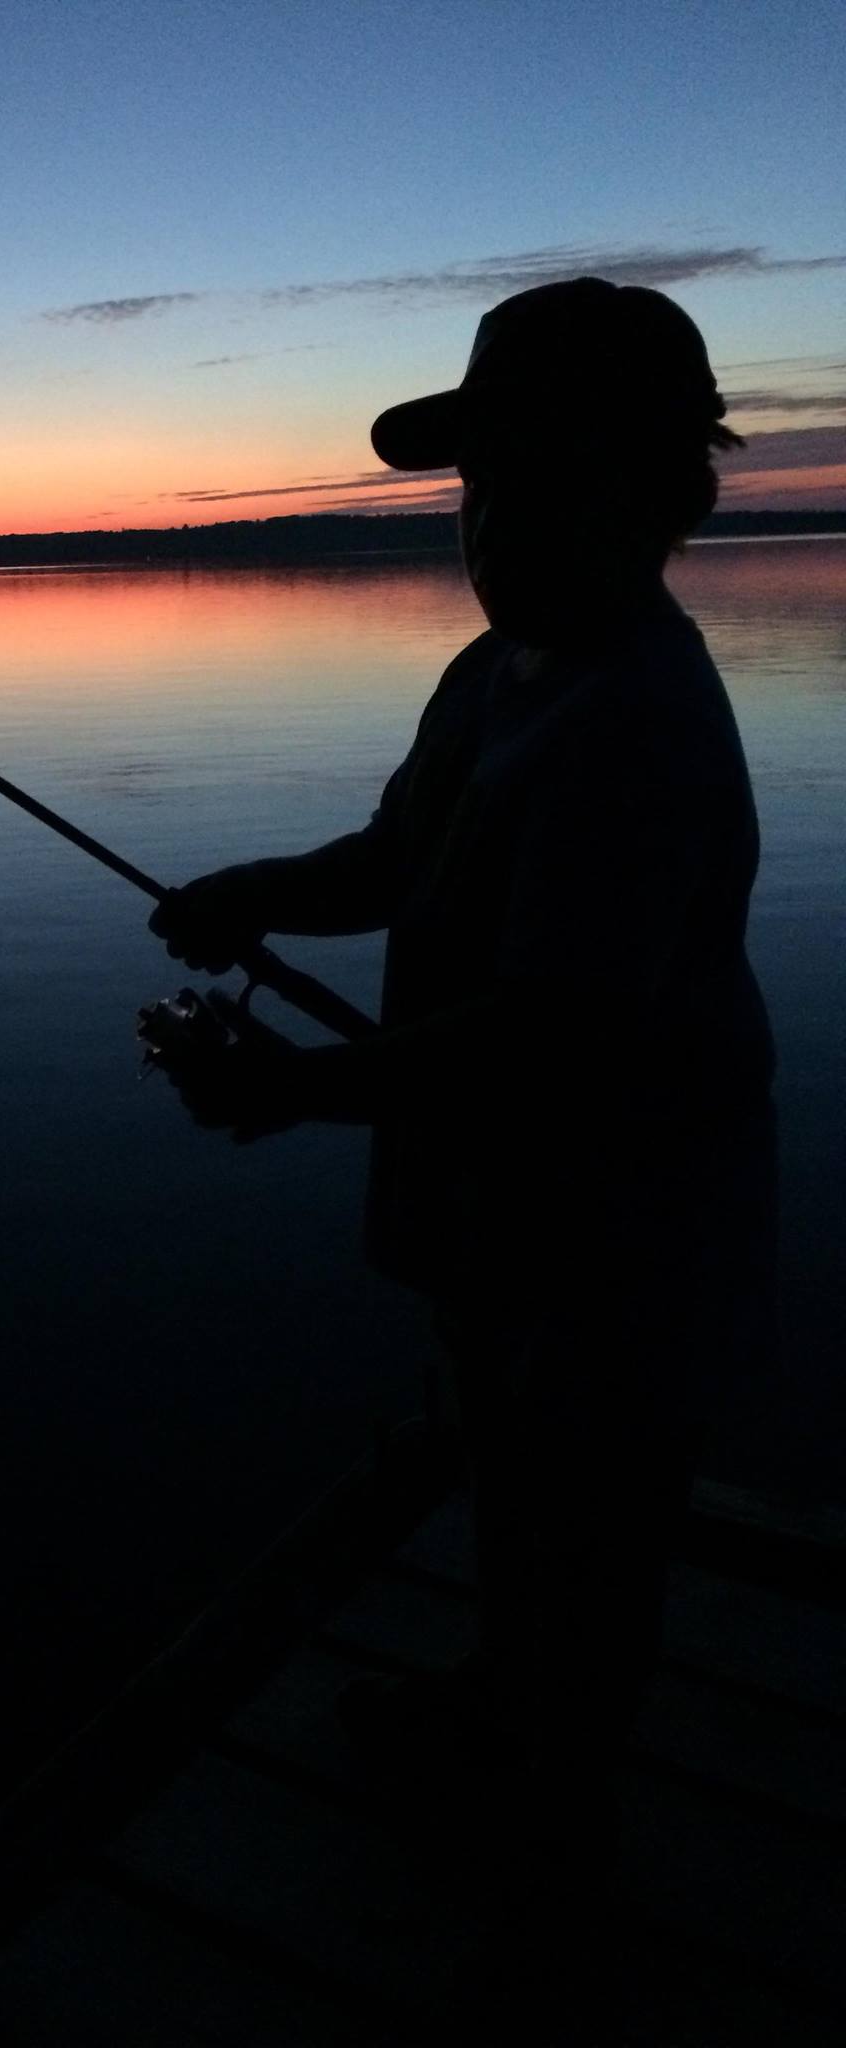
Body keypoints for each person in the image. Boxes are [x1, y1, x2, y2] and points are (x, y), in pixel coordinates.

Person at [148, 277, 778, 1851]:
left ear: (653, 496)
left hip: (630, 1227)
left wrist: (291, 1090)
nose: (489, 526)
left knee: (594, 1514)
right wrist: (260, 895)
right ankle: (508, 1704)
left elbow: (552, 1042)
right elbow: (393, 857)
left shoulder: (639, 723)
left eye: (542, 480)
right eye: (478, 485)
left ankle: (550, 1808)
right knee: (509, 1464)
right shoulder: (494, 676)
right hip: (502, 1208)